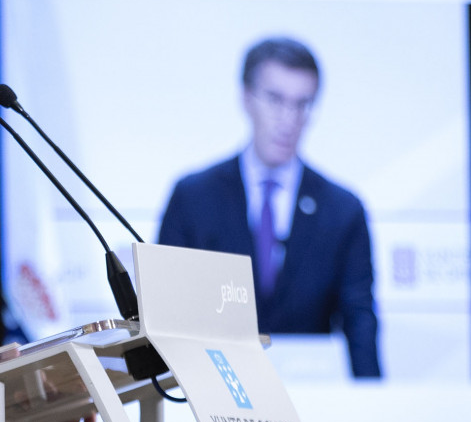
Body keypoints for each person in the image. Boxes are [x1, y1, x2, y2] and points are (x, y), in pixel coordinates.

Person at [157, 36, 381, 378]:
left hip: (311, 398)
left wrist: (373, 407)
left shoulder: (343, 210)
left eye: (302, 104)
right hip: (212, 394)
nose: (288, 118)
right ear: (247, 98)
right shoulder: (193, 197)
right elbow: (166, 314)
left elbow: (360, 321)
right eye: (275, 100)